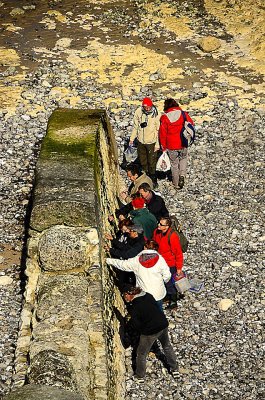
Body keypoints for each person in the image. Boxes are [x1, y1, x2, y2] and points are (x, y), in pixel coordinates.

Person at [122, 285, 178, 381]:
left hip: (150, 331)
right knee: (167, 346)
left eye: (124, 296)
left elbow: (136, 324)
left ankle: (140, 376)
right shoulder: (148, 295)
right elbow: (156, 309)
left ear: (128, 294)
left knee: (141, 353)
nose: (125, 298)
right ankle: (175, 369)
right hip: (163, 324)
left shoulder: (135, 306)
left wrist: (142, 332)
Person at [106, 240, 171, 311]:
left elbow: (122, 264)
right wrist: (162, 283)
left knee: (146, 313)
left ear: (145, 248)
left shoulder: (137, 260)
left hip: (145, 293)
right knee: (159, 311)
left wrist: (109, 260)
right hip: (158, 292)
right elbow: (167, 275)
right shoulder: (160, 259)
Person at [159, 98, 194, 189]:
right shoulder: (183, 114)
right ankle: (182, 174)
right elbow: (191, 123)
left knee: (174, 164)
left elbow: (163, 134)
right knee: (183, 158)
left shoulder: (165, 117)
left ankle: (176, 183)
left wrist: (163, 146)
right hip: (183, 142)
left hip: (171, 145)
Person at [153, 216, 184, 309]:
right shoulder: (156, 232)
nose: (158, 225)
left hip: (170, 264)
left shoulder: (172, 236)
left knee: (170, 283)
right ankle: (167, 297)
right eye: (159, 223)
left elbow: (178, 253)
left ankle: (173, 302)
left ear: (167, 226)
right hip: (159, 262)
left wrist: (179, 268)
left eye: (161, 224)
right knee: (163, 281)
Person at [129, 97, 160, 187]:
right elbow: (135, 126)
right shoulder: (139, 112)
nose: (147, 109)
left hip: (151, 141)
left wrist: (157, 144)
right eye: (145, 107)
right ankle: (145, 177)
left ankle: (153, 179)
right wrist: (132, 138)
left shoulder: (157, 115)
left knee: (152, 161)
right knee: (143, 161)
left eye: (149, 107)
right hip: (141, 141)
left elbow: (159, 130)